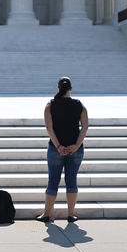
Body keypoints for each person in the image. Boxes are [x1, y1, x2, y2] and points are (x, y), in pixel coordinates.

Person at [38, 77, 88, 223]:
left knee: (53, 181)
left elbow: (49, 128)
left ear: (58, 88)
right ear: (71, 88)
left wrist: (58, 146)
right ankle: (71, 214)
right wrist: (77, 145)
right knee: (72, 181)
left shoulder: (50, 105)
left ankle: (47, 214)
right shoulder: (79, 105)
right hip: (75, 149)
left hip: (55, 149)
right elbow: (85, 126)